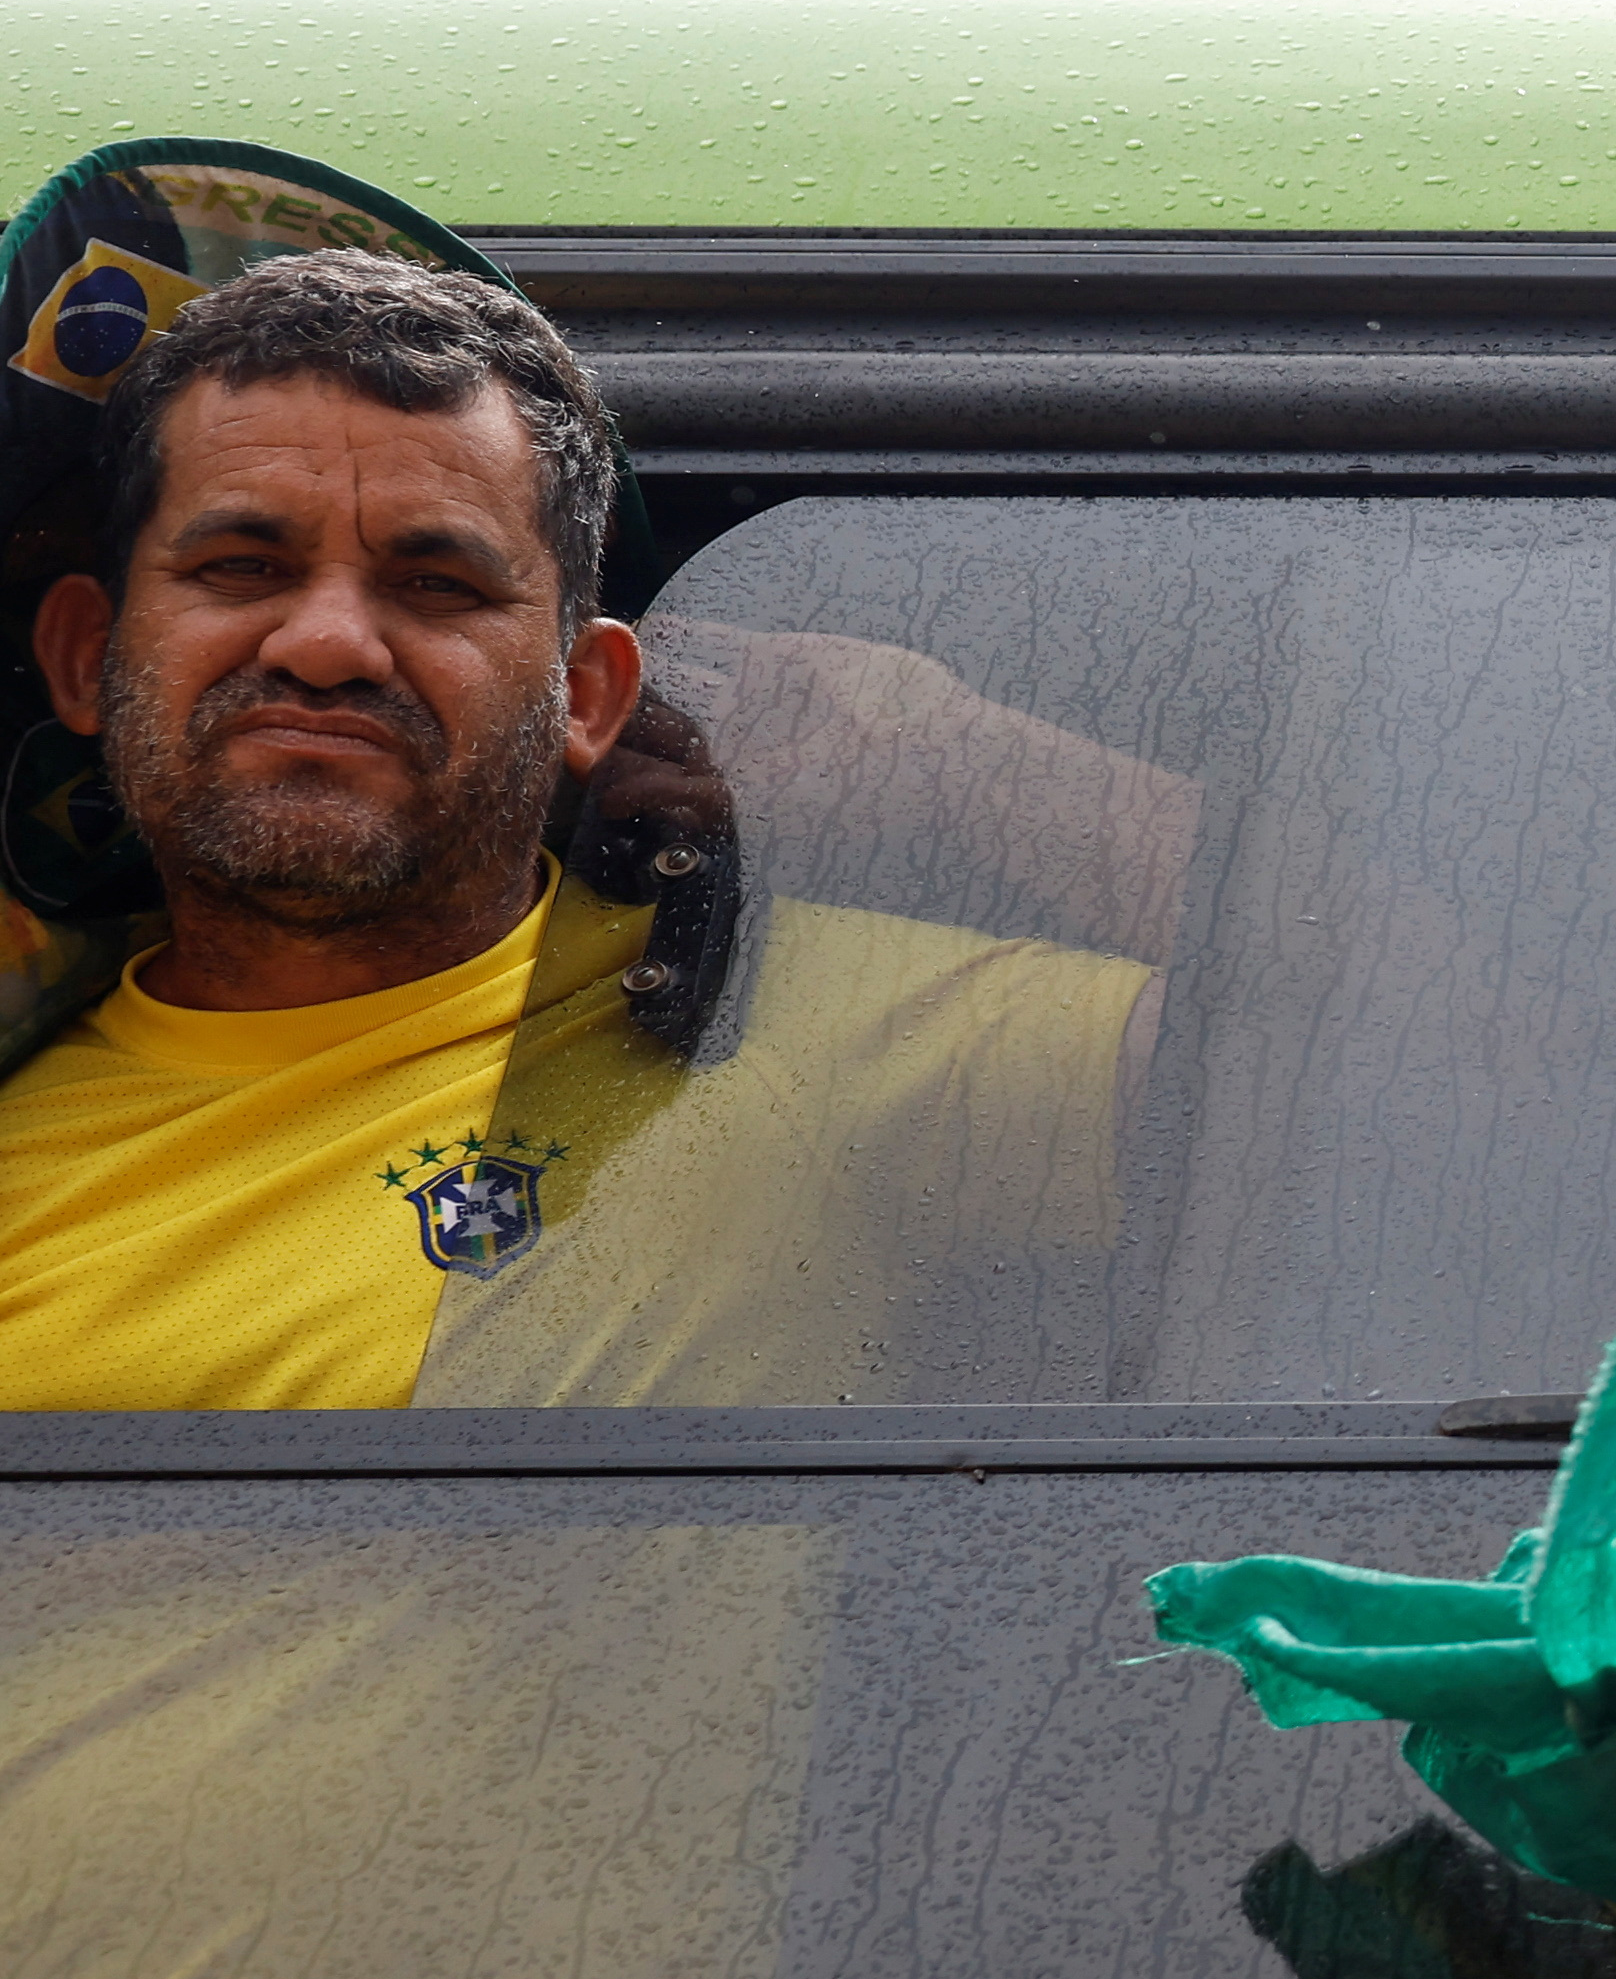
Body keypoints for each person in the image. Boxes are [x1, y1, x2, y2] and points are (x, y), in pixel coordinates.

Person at [0, 246, 1171, 1411]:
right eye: (243, 567)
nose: (325, 645)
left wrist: (962, 762)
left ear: (592, 694)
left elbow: (1341, 1024)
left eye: (435, 586)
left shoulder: (771, 1015)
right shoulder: (18, 1097)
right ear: (87, 660)